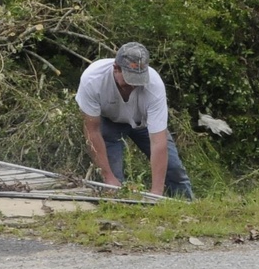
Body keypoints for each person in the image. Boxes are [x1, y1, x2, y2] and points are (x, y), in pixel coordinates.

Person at [77, 42, 194, 198]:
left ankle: (187, 207)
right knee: (113, 184)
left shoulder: (154, 84)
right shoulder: (93, 79)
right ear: (116, 68)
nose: (133, 86)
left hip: (144, 123)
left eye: (138, 81)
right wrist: (108, 176)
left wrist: (156, 193)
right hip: (110, 122)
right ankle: (119, 212)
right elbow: (92, 131)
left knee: (174, 169)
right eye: (129, 81)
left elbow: (159, 142)